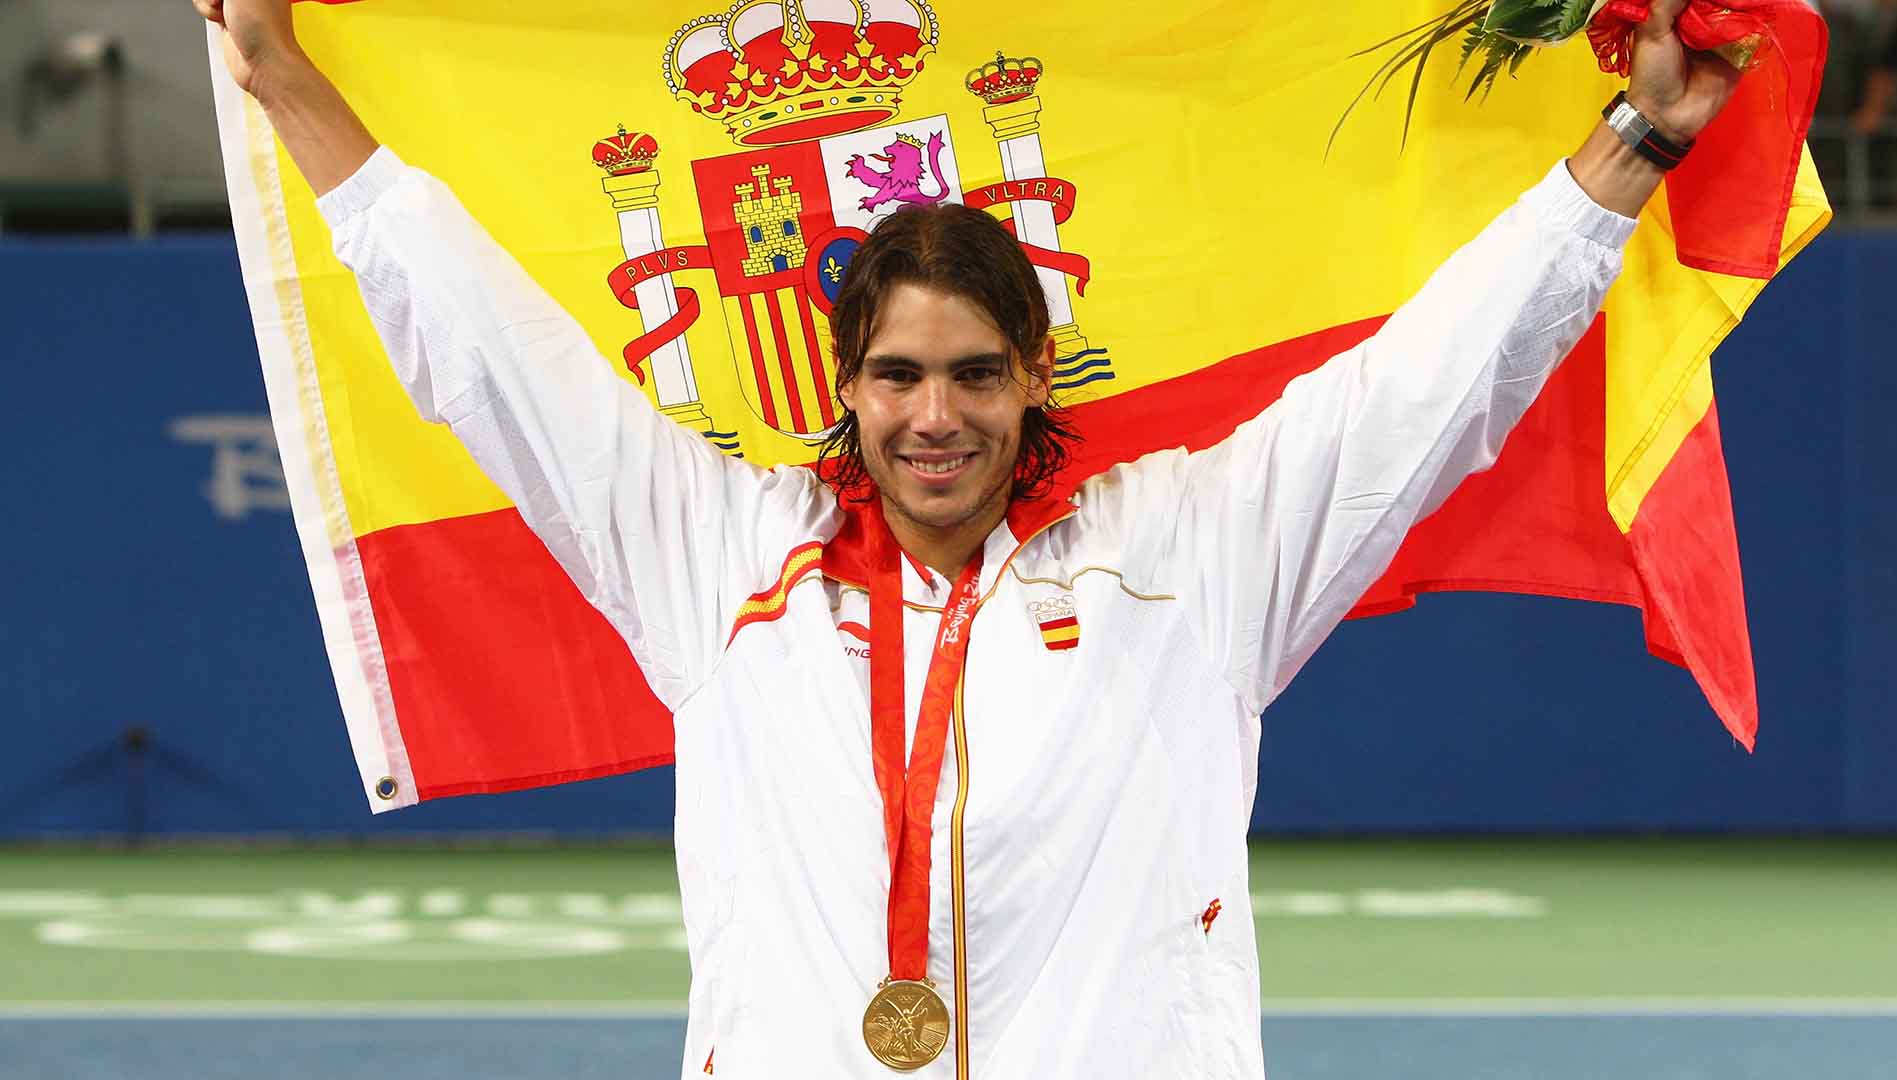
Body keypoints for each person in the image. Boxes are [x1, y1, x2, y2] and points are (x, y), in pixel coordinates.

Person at [195, 0, 1740, 1075]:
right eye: (897, 376)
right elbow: (482, 348)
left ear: (1036, 374)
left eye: (975, 374)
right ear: (845, 384)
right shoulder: (722, 559)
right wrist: (277, 72)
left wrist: (1634, 152)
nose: (936, 417)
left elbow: (1431, 387)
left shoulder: (1189, 560)